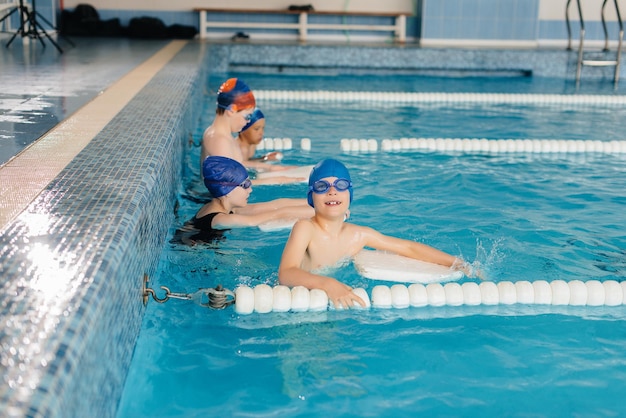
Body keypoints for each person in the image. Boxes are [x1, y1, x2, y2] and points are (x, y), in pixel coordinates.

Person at [278, 158, 478, 308]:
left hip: (326, 298)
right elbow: (286, 273)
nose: (332, 192)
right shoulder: (305, 228)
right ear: (311, 197)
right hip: (293, 298)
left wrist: (456, 262)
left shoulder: (359, 235)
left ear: (350, 194)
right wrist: (328, 284)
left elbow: (408, 248)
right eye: (322, 186)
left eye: (340, 185)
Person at [175, 156, 314, 245]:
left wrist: (316, 201)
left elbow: (276, 205)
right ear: (226, 191)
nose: (250, 189)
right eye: (245, 185)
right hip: (190, 252)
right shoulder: (219, 219)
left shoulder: (224, 206)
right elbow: (266, 217)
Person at [201, 79, 304, 185]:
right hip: (209, 198)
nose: (248, 121)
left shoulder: (223, 135)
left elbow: (239, 163)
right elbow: (228, 185)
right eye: (247, 116)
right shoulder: (219, 140)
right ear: (231, 110)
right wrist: (277, 180)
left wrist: (271, 167)